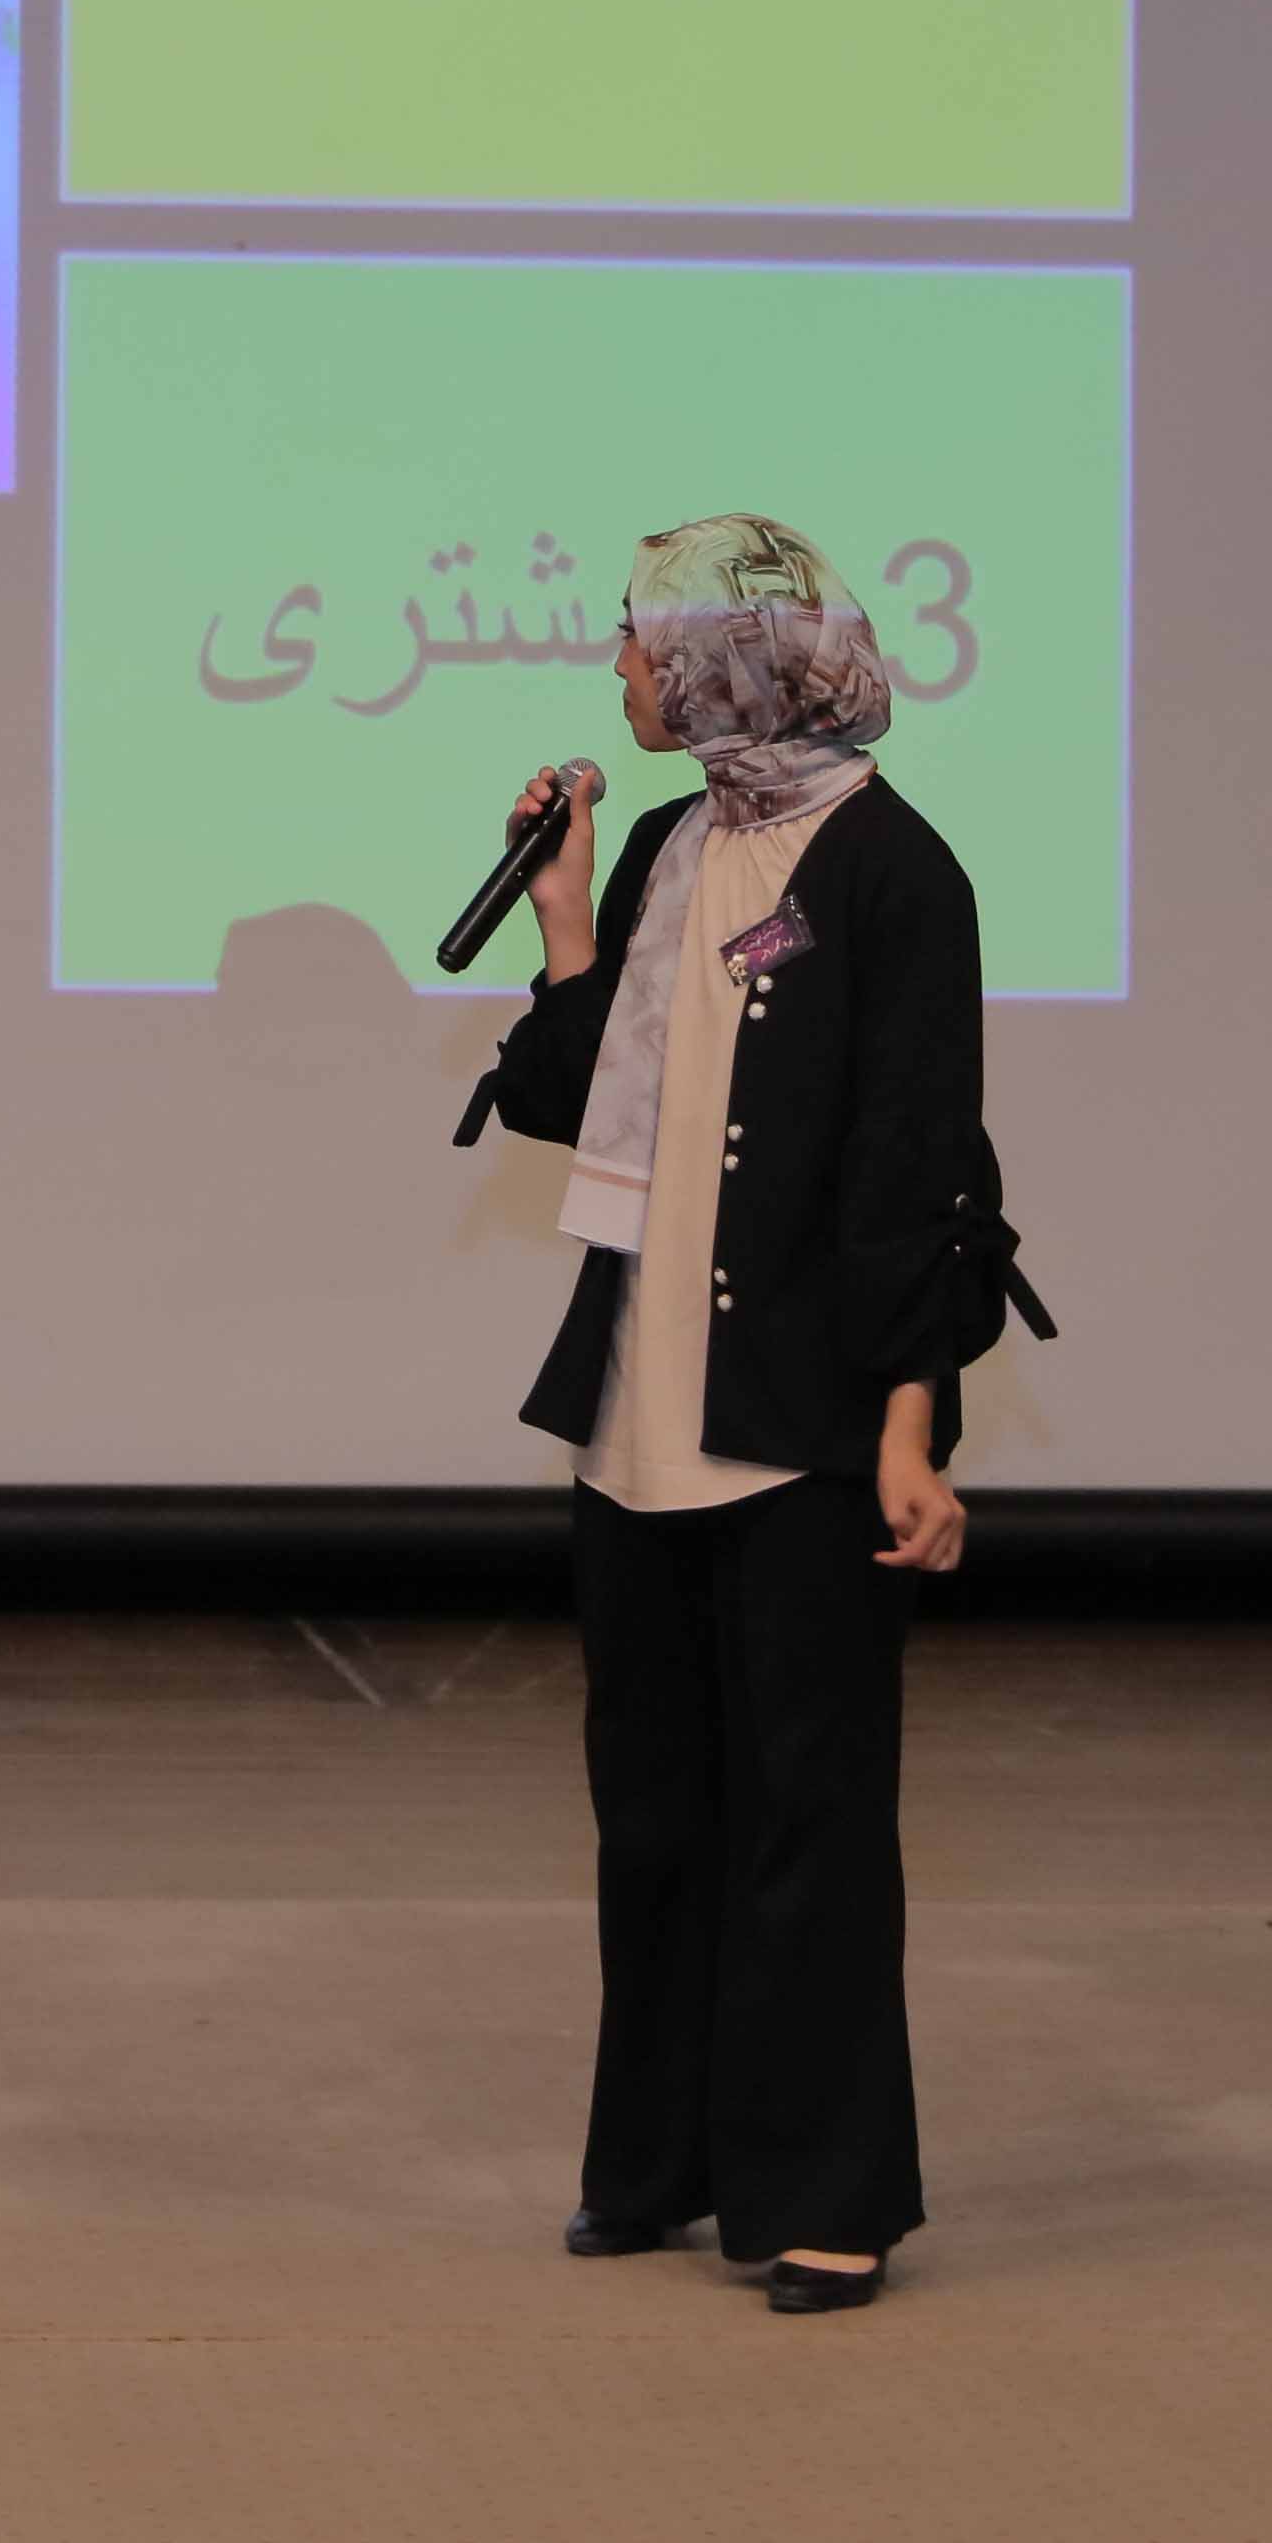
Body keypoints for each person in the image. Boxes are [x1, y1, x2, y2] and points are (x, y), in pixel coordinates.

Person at [458, 515, 1014, 2314]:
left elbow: (922, 1175)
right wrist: (565, 909)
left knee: (810, 1821)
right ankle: (662, 2162)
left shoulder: (896, 871)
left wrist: (912, 1429)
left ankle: (828, 2190)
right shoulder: (676, 844)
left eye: (639, 638)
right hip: (638, 1416)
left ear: (732, 658)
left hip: (805, 1428)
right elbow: (565, 1091)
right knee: (656, 1817)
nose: (618, 666)